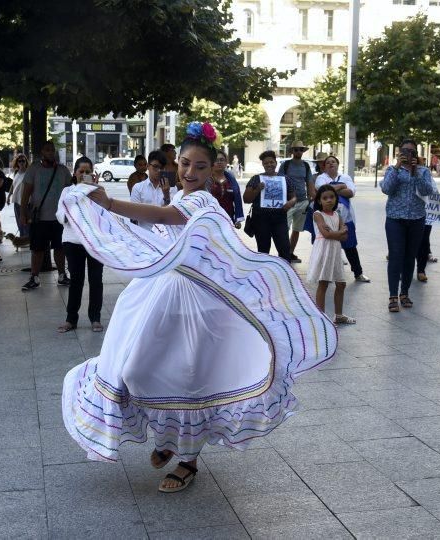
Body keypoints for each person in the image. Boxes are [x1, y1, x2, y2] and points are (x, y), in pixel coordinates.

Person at [60, 121, 336, 493]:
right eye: (185, 164)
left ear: (214, 168)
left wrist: (109, 204)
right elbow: (169, 225)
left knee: (190, 378)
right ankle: (169, 440)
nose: (190, 172)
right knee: (141, 368)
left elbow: (169, 219)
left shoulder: (201, 200)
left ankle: (187, 459)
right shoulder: (179, 193)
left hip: (197, 304)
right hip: (163, 297)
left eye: (199, 166)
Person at [381, 139, 436, 312]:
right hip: (395, 219)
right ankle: (392, 296)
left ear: (416, 154)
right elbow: (387, 189)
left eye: (411, 151)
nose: (407, 154)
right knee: (396, 256)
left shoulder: (424, 171)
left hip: (417, 219)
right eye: (404, 151)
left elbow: (428, 191)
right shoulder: (392, 170)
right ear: (399, 153)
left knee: (410, 256)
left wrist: (416, 172)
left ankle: (404, 293)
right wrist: (397, 167)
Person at [56, 157, 104, 333]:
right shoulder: (67, 191)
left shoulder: (98, 191)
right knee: (76, 280)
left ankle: (95, 318)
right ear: (74, 173)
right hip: (73, 241)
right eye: (81, 171)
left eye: (88, 172)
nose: (84, 175)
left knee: (96, 279)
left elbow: (102, 214)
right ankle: (71, 319)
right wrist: (70, 213)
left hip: (94, 242)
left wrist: (94, 190)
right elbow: (60, 214)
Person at [20, 140, 72, 291]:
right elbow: (26, 193)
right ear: (42, 152)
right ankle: (34, 277)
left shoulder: (63, 170)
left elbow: (70, 192)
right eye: (47, 150)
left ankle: (62, 275)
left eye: (52, 150)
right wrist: (23, 213)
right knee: (37, 249)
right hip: (39, 217)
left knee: (60, 248)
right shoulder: (34, 169)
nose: (50, 152)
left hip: (59, 218)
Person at [314, 156, 370, 282]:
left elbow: (351, 193)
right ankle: (324, 274)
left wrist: (331, 189)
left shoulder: (346, 177)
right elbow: (322, 191)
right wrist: (342, 187)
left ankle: (358, 273)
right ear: (324, 166)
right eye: (327, 162)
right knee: (326, 246)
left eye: (333, 161)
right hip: (326, 218)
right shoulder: (321, 178)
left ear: (338, 164)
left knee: (350, 246)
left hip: (345, 218)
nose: (330, 164)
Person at [308, 185, 355, 324]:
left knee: (341, 283)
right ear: (319, 200)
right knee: (324, 283)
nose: (329, 200)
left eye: (332, 197)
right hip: (324, 250)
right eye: (325, 198)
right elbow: (326, 234)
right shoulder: (317, 214)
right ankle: (321, 317)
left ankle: (339, 315)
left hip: (335, 251)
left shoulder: (337, 215)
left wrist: (337, 233)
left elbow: (345, 237)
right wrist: (339, 232)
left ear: (336, 198)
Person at [243, 150, 296, 260]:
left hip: (279, 218)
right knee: (263, 250)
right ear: (262, 164)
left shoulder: (285, 179)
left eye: (271, 162)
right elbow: (246, 199)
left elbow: (294, 197)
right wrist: (257, 189)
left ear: (276, 163)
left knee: (284, 249)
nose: (269, 165)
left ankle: (285, 274)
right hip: (261, 220)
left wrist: (290, 203)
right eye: (266, 163)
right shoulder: (256, 179)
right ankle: (264, 275)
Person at [277, 141, 313, 263]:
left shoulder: (306, 166)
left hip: (303, 202)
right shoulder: (285, 165)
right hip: (288, 202)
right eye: (296, 149)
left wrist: (310, 199)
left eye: (301, 149)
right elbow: (280, 181)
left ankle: (290, 253)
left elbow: (309, 183)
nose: (298, 152)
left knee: (297, 229)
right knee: (284, 229)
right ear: (292, 151)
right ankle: (284, 253)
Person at [130, 150, 173, 231]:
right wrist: (160, 214)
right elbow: (134, 214)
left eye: (162, 167)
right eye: (155, 166)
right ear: (148, 166)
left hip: (166, 236)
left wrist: (166, 196)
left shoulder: (171, 188)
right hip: (145, 234)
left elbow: (172, 215)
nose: (159, 170)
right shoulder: (138, 188)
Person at [207, 149, 243, 228]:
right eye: (216, 160)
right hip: (209, 219)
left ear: (226, 162)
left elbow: (237, 199)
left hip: (227, 219)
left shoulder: (231, 179)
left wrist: (237, 219)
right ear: (212, 162)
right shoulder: (206, 179)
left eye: (222, 160)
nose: (219, 162)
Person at [8, 153, 29, 237]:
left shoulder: (28, 172)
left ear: (26, 162)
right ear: (17, 162)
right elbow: (13, 185)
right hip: (16, 199)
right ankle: (22, 236)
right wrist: (9, 196)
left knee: (25, 220)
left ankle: (27, 238)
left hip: (25, 200)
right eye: (19, 161)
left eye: (23, 161)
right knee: (19, 220)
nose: (21, 162)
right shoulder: (16, 172)